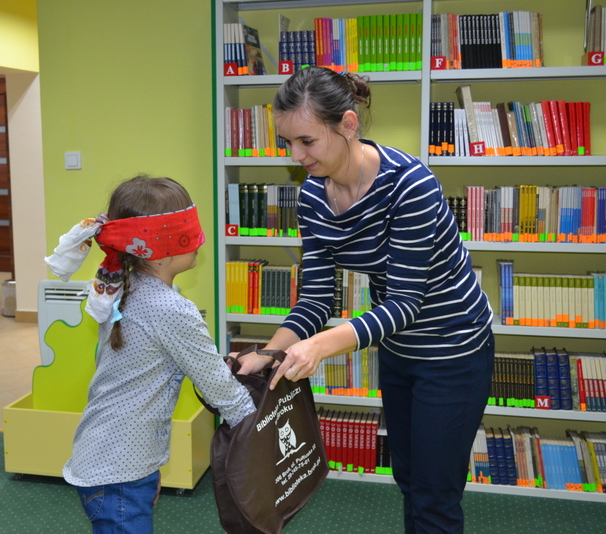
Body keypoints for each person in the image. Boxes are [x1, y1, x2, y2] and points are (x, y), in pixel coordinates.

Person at [237, 67, 494, 534]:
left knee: (434, 497)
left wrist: (319, 346)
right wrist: (269, 352)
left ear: (349, 125)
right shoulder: (312, 198)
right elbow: (315, 299)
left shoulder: (409, 185)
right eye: (287, 142)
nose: (296, 156)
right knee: (409, 479)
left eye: (307, 141)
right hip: (397, 350)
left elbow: (406, 303)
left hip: (453, 351)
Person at [44, 175, 256, 534]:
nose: (200, 239)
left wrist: (146, 469)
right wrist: (259, 429)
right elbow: (219, 388)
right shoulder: (171, 308)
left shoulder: (122, 286)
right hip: (118, 472)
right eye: (190, 231)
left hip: (116, 459)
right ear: (162, 245)